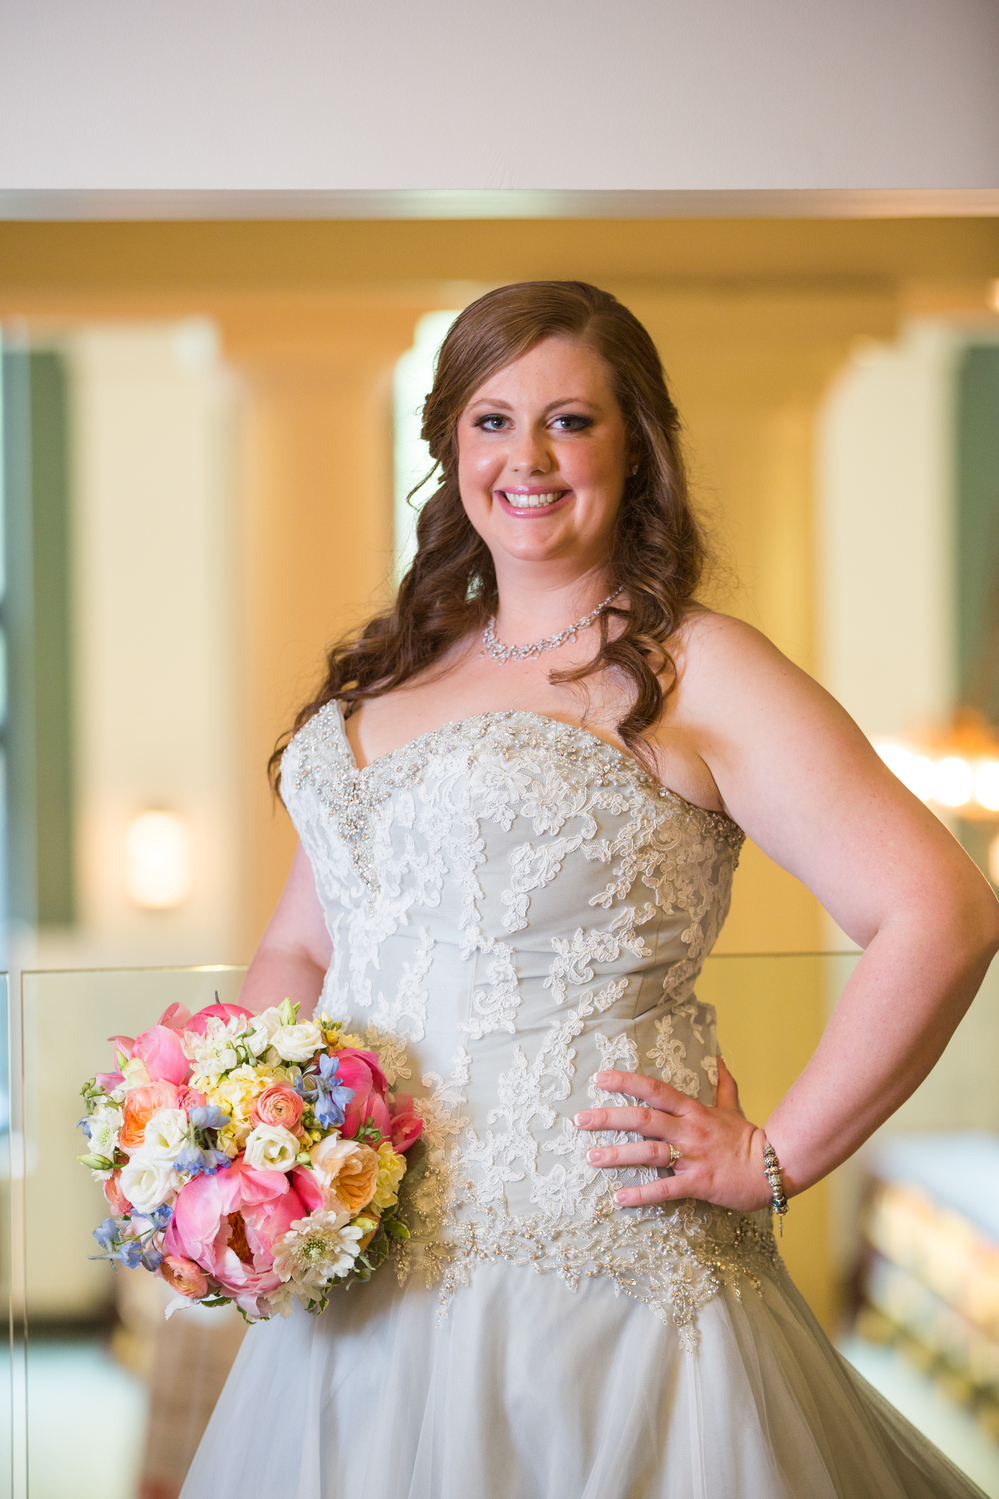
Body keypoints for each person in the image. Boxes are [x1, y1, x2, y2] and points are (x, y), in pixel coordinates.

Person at [181, 280, 999, 1498]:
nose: (528, 456)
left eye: (570, 420)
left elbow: (943, 907)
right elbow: (303, 946)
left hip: (595, 1277)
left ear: (637, 446)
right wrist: (242, 1156)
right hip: (358, 1280)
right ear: (451, 444)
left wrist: (776, 1153)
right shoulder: (395, 668)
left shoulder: (692, 668)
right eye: (493, 420)